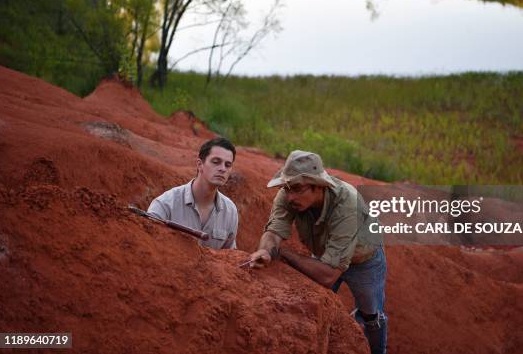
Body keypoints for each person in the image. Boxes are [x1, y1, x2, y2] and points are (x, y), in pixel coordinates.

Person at [247, 150, 387, 354]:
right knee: (314, 304)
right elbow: (274, 230)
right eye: (287, 188)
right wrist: (266, 251)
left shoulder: (347, 202)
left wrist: (284, 253)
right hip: (326, 255)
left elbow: (328, 275)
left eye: (297, 189)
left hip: (364, 259)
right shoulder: (288, 194)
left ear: (319, 186)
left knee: (371, 316)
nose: (290, 195)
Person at [148, 137, 238, 249]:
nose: (222, 169)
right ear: (200, 164)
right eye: (216, 162)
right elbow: (147, 246)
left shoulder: (230, 211)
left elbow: (230, 257)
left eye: (227, 165)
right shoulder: (165, 204)